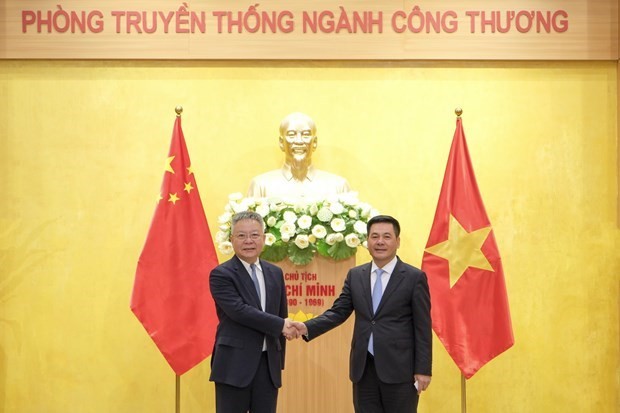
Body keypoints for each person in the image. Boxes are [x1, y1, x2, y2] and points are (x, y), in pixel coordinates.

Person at [292, 215, 432, 413]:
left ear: (397, 242)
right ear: (367, 241)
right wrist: (307, 326)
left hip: (401, 371)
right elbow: (338, 311)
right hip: (363, 369)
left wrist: (423, 370)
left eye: (386, 236)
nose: (380, 242)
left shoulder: (414, 277)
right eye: (374, 237)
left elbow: (423, 326)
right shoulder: (356, 275)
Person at [209, 211, 299, 413]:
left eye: (254, 235)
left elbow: (280, 313)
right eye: (241, 235)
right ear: (232, 240)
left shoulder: (275, 273)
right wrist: (281, 325)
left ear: (264, 238)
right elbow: (240, 311)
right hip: (233, 366)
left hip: (268, 366)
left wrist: (278, 360)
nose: (248, 241)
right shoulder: (221, 274)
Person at [247, 112, 351, 199]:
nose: (299, 141)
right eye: (291, 135)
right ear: (281, 142)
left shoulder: (338, 186)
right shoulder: (261, 185)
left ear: (314, 142)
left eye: (306, 135)